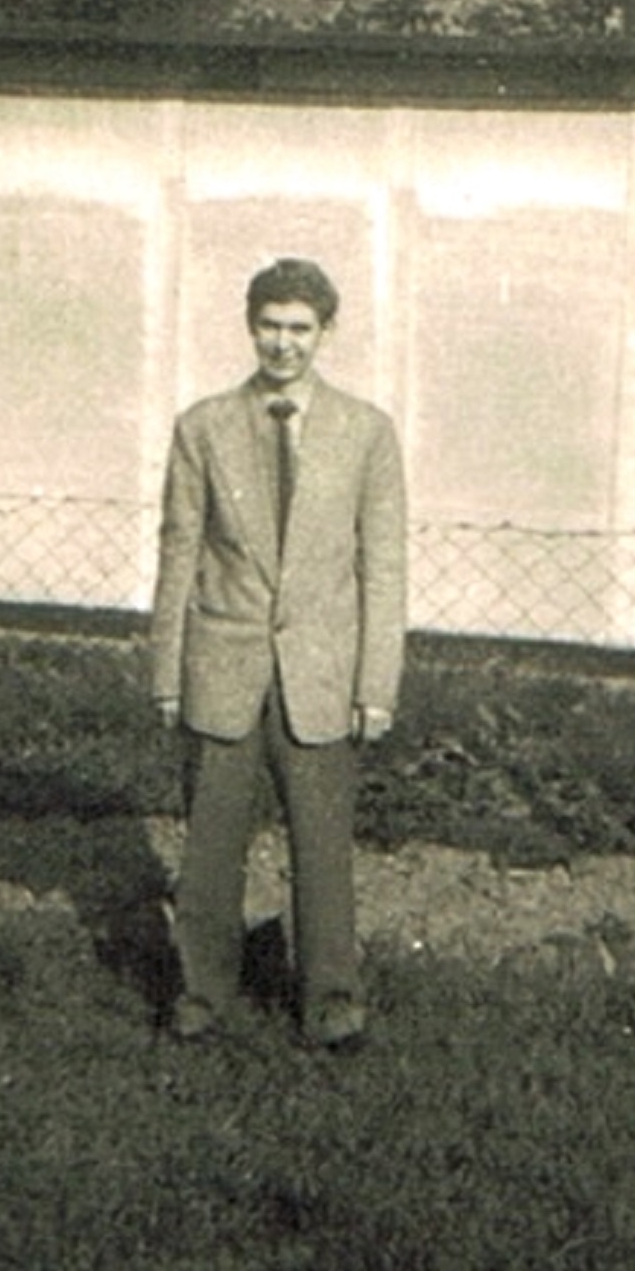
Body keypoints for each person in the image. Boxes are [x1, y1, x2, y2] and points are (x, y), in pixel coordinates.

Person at [150, 257, 407, 1049]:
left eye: (300, 329)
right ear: (249, 326)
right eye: (270, 325)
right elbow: (179, 553)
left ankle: (330, 1003)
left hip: (321, 676)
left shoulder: (366, 432)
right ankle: (202, 996)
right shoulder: (202, 427)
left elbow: (384, 566)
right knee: (210, 847)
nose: (283, 344)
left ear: (325, 333)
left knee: (323, 849)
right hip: (221, 666)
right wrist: (166, 675)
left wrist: (376, 685)